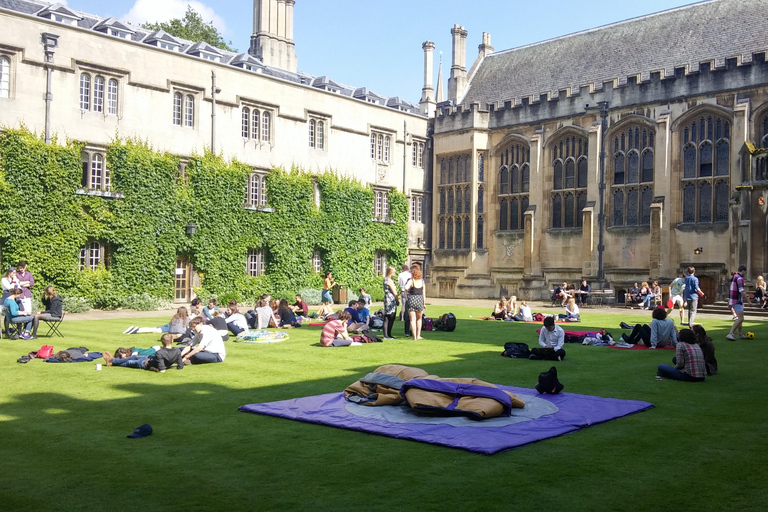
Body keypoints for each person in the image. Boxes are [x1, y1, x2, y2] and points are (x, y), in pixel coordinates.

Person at [103, 334, 184, 371]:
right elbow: (180, 365)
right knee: (133, 357)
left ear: (162, 342)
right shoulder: (177, 351)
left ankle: (112, 362)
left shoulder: (160, 352)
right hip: (149, 358)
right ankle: (112, 361)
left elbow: (162, 368)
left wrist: (163, 369)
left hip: (145, 363)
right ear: (172, 341)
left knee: (130, 362)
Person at [124, 306, 190, 336]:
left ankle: (138, 329)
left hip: (168, 326)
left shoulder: (175, 317)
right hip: (168, 328)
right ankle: (137, 330)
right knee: (154, 330)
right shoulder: (185, 319)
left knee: (154, 329)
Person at [404, 266, 426, 340]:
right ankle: (418, 335)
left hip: (412, 299)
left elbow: (406, 288)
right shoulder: (422, 281)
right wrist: (424, 303)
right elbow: (424, 293)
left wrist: (409, 291)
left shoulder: (411, 280)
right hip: (419, 299)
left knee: (412, 319)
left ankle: (414, 337)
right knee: (419, 319)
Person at [726, 265, 747, 340]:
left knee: (739, 318)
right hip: (737, 301)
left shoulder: (734, 277)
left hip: (733, 300)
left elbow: (731, 289)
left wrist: (729, 302)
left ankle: (740, 334)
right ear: (743, 271)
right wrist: (748, 300)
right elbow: (742, 291)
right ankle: (730, 333)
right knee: (740, 318)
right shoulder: (739, 278)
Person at [382, 266, 398, 339]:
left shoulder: (384, 279)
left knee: (387, 317)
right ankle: (387, 334)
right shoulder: (389, 280)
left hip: (386, 298)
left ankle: (386, 334)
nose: (394, 273)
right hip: (391, 299)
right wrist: (397, 300)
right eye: (394, 272)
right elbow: (394, 292)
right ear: (391, 272)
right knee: (391, 317)